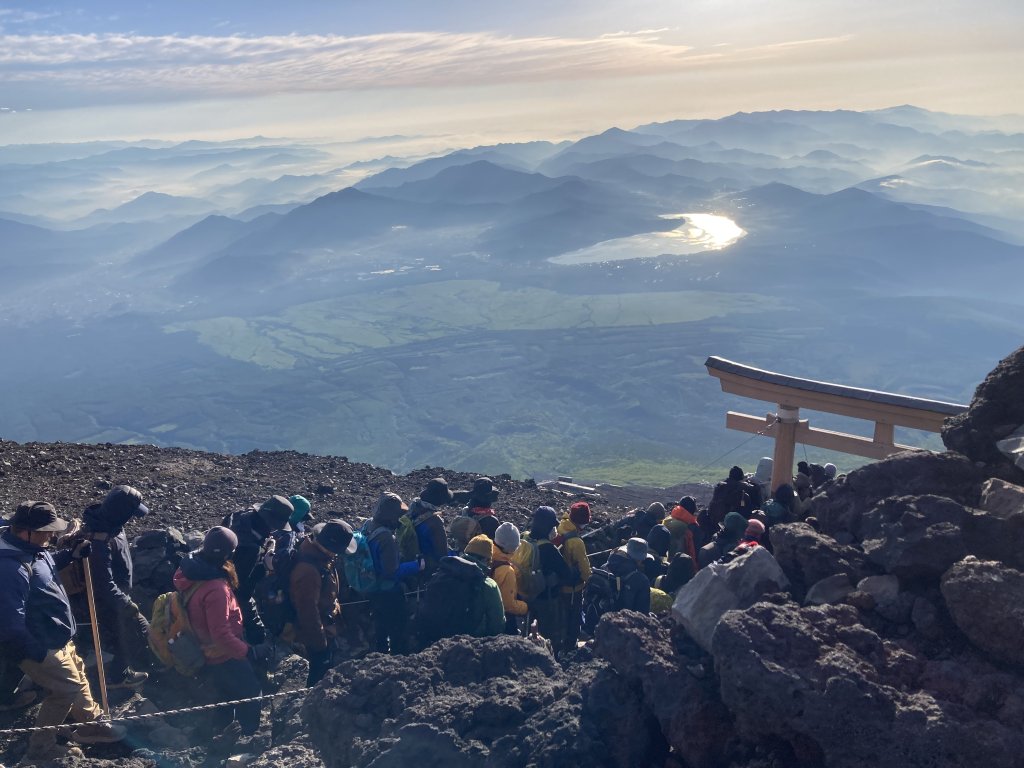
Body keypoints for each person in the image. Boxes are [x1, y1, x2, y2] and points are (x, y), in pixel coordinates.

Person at [0, 501, 126, 763]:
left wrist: (71, 555)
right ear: (24, 530)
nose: (52, 535)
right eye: (46, 530)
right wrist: (39, 653)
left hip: (56, 636)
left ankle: (90, 723)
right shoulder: (9, 569)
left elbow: (44, 566)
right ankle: (41, 748)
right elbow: (10, 625)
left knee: (78, 674)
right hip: (40, 645)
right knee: (66, 689)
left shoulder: (32, 548)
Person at [173, 527, 272, 736]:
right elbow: (220, 634)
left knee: (224, 699)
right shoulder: (216, 589)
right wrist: (248, 652)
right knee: (251, 693)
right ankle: (249, 739)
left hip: (204, 649)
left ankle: (217, 741)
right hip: (223, 655)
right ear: (227, 555)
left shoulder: (189, 570)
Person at [81, 485, 152, 689]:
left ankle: (117, 670)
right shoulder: (99, 541)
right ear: (121, 513)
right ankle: (117, 678)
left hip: (117, 597)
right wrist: (126, 604)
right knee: (137, 632)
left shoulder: (112, 526)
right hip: (109, 602)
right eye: (130, 513)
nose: (132, 518)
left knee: (125, 634)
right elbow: (102, 583)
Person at [289, 519, 357, 686]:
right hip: (313, 636)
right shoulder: (309, 572)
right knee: (317, 676)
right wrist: (320, 645)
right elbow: (308, 612)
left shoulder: (319, 558)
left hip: (324, 628)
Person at [224, 495, 294, 644]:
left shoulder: (239, 516)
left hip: (215, 566)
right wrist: (264, 567)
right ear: (273, 523)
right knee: (255, 629)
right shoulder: (252, 550)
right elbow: (241, 588)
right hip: (227, 590)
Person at [415, 535, 504, 646]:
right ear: (487, 559)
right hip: (469, 646)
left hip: (434, 642)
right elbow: (497, 624)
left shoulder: (442, 572)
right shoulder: (487, 585)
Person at [364, 492, 421, 654]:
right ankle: (396, 662)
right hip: (388, 591)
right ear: (390, 516)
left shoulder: (369, 525)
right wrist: (417, 566)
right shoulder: (386, 537)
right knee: (397, 630)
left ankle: (379, 655)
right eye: (398, 515)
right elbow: (391, 571)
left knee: (380, 628)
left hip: (373, 588)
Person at [524, 506, 572, 652]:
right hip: (546, 600)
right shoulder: (548, 549)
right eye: (553, 526)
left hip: (526, 595)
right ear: (547, 527)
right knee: (549, 637)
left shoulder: (525, 538)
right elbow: (567, 575)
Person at [557, 502, 592, 654]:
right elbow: (585, 569)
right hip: (572, 588)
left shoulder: (560, 527)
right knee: (573, 618)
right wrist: (588, 579)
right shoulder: (576, 542)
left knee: (560, 616)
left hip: (556, 584)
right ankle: (569, 649)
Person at [407, 478, 453, 577]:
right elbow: (443, 556)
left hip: (413, 558)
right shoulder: (435, 522)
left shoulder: (415, 508)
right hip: (428, 567)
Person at [492, 522, 528, 634]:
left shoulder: (487, 554)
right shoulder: (507, 571)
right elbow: (508, 605)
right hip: (502, 619)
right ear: (511, 548)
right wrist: (525, 607)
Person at [449, 477, 500, 551]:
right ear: (489, 500)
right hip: (479, 557)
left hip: (461, 553)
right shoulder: (491, 521)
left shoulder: (465, 512)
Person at [603, 538, 652, 614]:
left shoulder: (605, 566)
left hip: (599, 621)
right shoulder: (642, 580)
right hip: (623, 623)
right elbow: (643, 612)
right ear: (641, 559)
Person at [704, 466, 758, 532]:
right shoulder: (738, 485)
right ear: (739, 477)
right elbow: (752, 488)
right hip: (727, 519)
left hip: (714, 518)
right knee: (745, 498)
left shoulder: (720, 485)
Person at [663, 496, 699, 565]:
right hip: (682, 565)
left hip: (665, 563)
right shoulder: (692, 528)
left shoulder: (667, 521)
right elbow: (693, 552)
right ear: (692, 510)